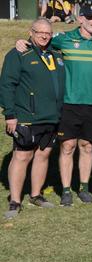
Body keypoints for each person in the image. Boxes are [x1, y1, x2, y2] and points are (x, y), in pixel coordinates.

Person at [15, 5, 92, 207]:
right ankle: (66, 190)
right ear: (80, 19)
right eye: (91, 17)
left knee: (86, 147)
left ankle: (84, 188)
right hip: (68, 103)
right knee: (67, 146)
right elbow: (41, 40)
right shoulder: (64, 39)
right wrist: (21, 42)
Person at [1, 19, 65, 219]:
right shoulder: (18, 54)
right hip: (27, 116)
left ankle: (36, 195)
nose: (44, 36)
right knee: (22, 156)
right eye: (40, 32)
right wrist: (10, 115)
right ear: (31, 32)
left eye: (48, 33)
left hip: (52, 116)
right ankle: (15, 200)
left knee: (43, 155)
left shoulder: (56, 54)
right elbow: (6, 85)